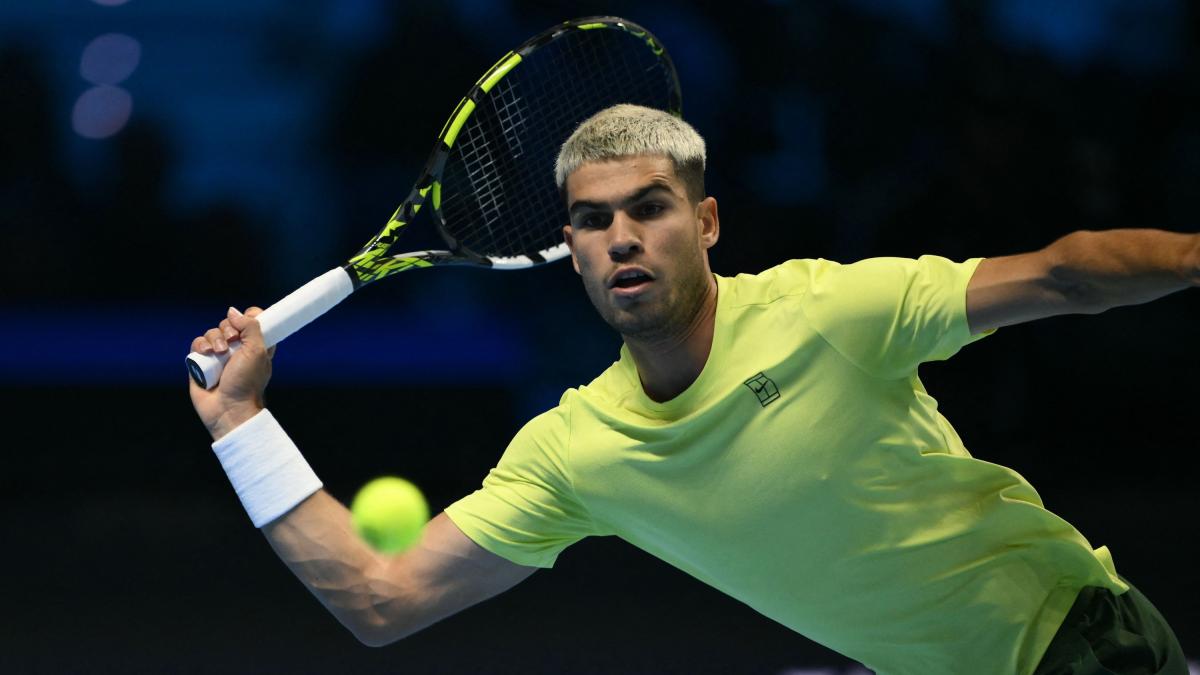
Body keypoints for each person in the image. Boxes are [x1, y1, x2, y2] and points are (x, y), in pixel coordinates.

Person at [189, 104, 1193, 674]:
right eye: (593, 219)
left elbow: (1065, 272)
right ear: (569, 250)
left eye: (650, 208)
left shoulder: (828, 312)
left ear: (706, 223)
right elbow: (381, 595)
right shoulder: (577, 450)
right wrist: (240, 421)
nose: (622, 235)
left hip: (1077, 651)